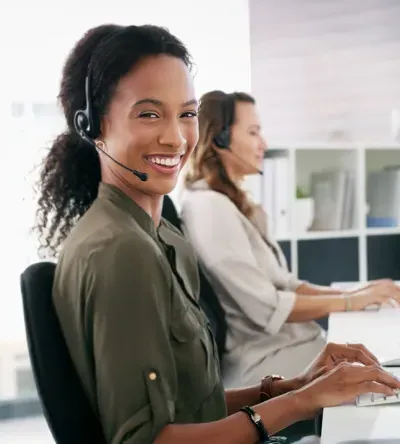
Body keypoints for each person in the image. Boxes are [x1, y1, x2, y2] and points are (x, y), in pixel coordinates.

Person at [34, 25, 400, 444]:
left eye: (187, 114)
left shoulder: (158, 236)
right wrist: (299, 403)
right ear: (92, 124)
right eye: (149, 113)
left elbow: (189, 406)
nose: (175, 138)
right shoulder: (120, 250)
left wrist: (295, 385)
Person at [181, 90, 400, 387]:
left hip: (292, 345)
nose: (264, 144)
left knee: (382, 351)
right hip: (266, 360)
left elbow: (286, 283)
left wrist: (359, 293)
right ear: (219, 138)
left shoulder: (230, 204)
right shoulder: (209, 208)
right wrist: (351, 301)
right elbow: (268, 307)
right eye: (254, 132)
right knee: (382, 362)